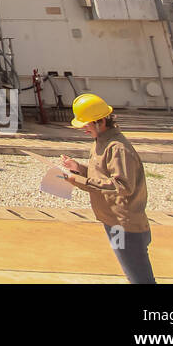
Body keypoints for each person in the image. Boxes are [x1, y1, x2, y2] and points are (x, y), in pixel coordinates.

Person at [57, 93, 156, 284]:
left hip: (124, 226)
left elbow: (122, 186)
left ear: (100, 121)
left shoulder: (117, 148)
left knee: (140, 279)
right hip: (113, 222)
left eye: (86, 124)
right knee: (130, 272)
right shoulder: (101, 142)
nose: (84, 129)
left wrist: (77, 180)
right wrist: (78, 169)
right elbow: (102, 177)